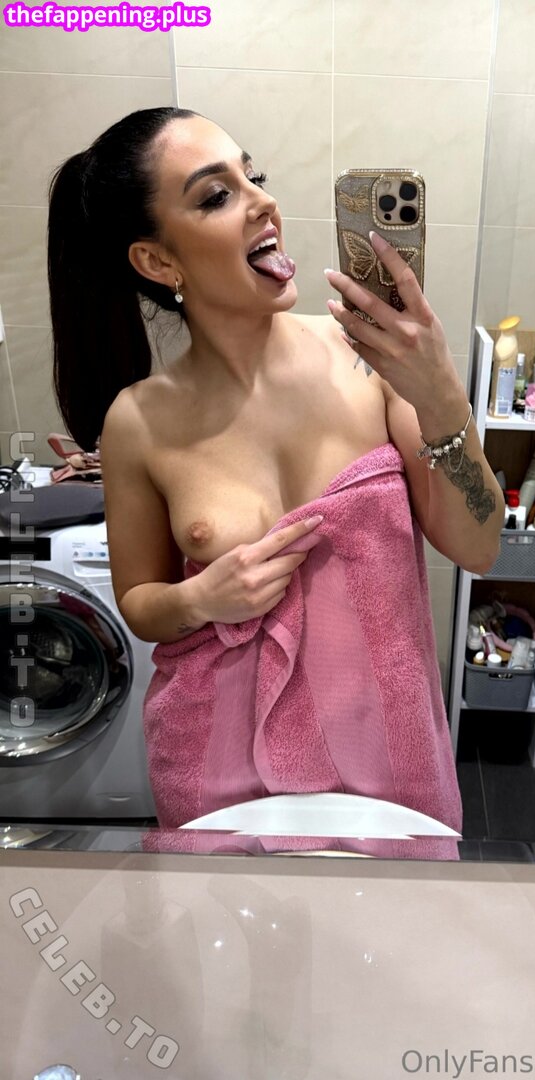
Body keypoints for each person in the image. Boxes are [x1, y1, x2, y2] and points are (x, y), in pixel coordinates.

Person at [47, 107, 504, 845]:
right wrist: (199, 597)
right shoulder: (139, 422)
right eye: (216, 195)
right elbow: (139, 603)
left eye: (252, 175)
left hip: (387, 760)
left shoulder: (368, 359)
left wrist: (442, 396)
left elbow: (479, 547)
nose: (263, 201)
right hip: (216, 767)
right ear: (158, 262)